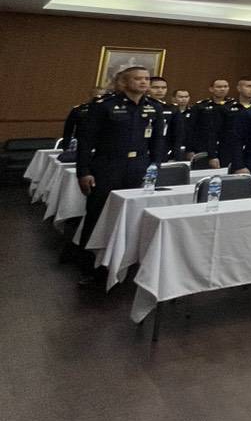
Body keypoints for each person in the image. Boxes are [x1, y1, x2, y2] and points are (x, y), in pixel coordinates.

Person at [74, 66, 167, 283]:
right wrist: (83, 171)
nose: (144, 82)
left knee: (134, 215)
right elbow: (86, 141)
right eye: (138, 79)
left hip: (139, 166)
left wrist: (155, 167)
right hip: (108, 165)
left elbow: (157, 141)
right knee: (98, 214)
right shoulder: (104, 106)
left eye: (146, 79)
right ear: (124, 83)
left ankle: (125, 264)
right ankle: (91, 268)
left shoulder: (154, 107)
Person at [188, 78, 233, 166]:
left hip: (226, 146)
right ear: (211, 89)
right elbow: (191, 128)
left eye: (225, 86)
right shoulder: (201, 106)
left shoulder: (234, 105)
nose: (223, 89)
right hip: (203, 146)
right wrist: (189, 149)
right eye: (219, 87)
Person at [147, 76, 187, 161]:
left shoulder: (171, 108)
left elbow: (178, 133)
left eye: (163, 88)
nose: (160, 90)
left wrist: (175, 154)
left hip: (163, 150)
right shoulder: (141, 106)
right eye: (155, 87)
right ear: (147, 88)